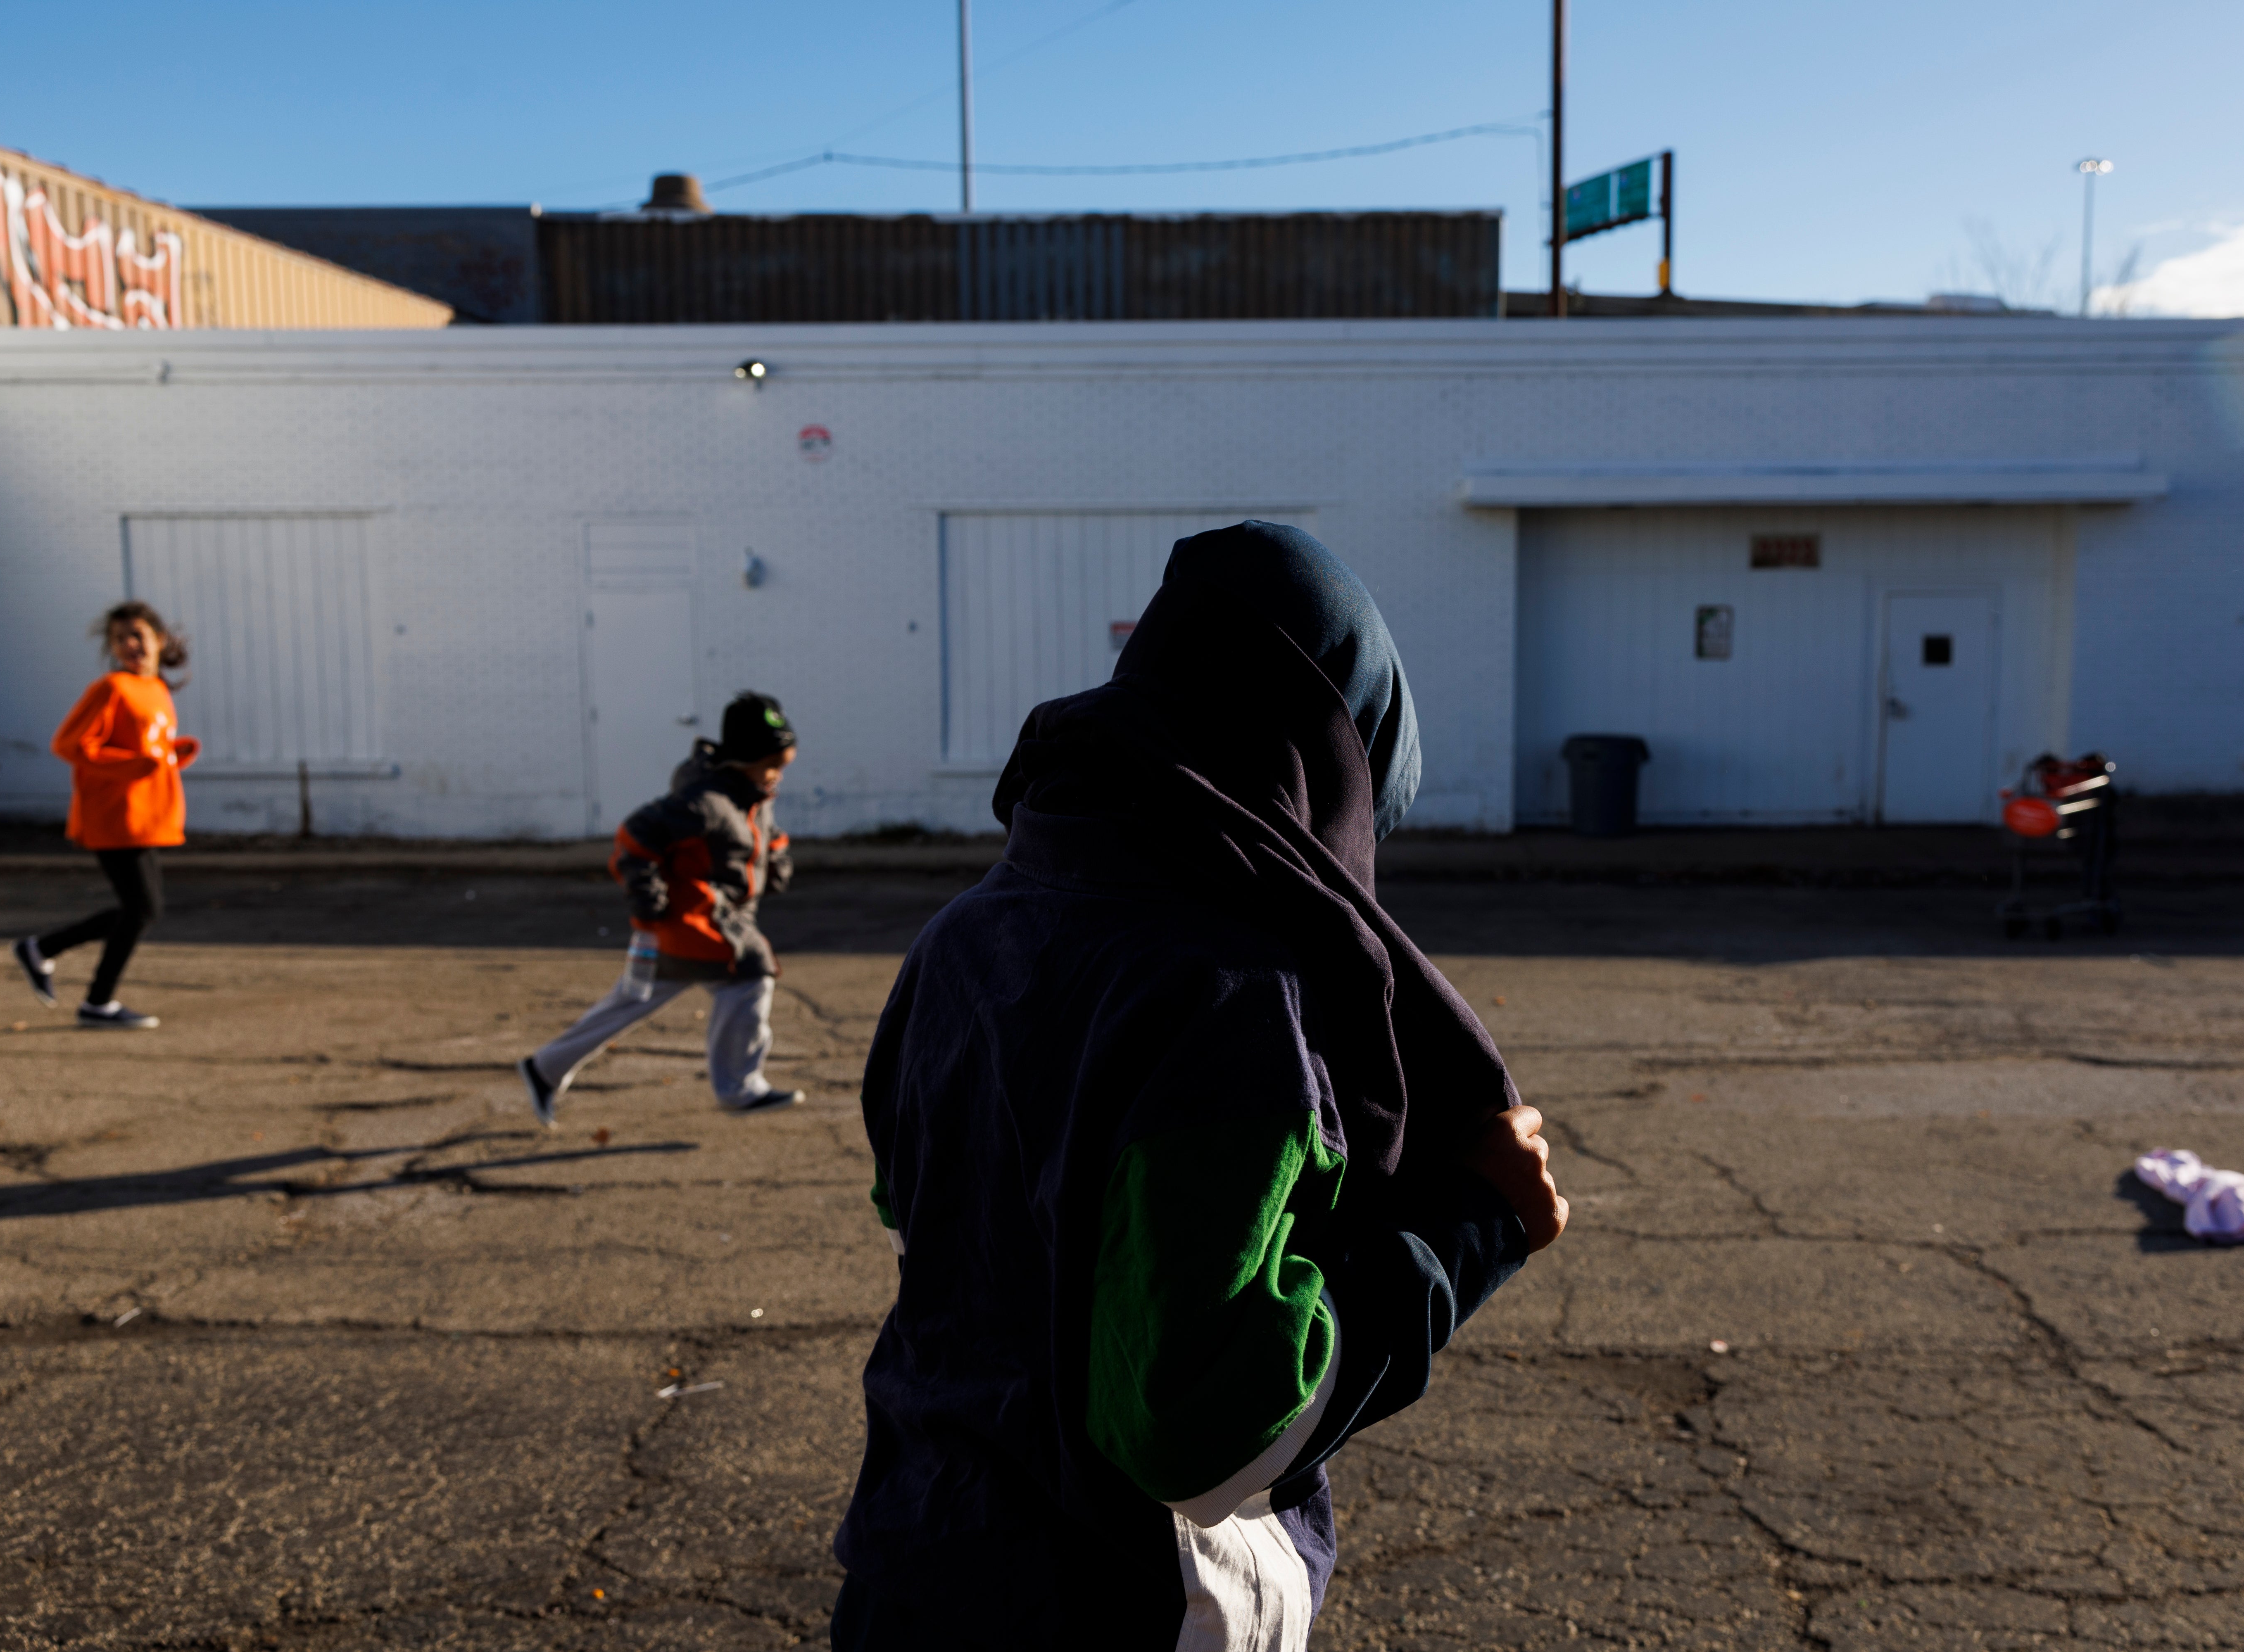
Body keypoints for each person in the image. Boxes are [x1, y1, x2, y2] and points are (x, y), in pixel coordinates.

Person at [833, 522, 1569, 1650]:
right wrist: (1469, 1228)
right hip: (1118, 1604)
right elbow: (1204, 1429)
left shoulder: (965, 936)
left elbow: (927, 1233)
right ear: (1325, 761)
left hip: (913, 1556)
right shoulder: (1227, 993)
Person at [518, 691, 808, 1125]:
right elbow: (635, 839)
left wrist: (776, 858)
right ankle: (739, 1089)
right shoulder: (705, 802)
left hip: (694, 928)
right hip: (698, 926)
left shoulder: (749, 793)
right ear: (744, 760)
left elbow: (764, 834)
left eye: (783, 767)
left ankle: (545, 1068)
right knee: (750, 977)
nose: (778, 776)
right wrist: (648, 903)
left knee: (630, 1001)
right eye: (773, 766)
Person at [12, 602, 200, 1030]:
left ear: (160, 639)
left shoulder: (157, 690)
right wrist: (135, 764)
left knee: (143, 909)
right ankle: (92, 995)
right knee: (143, 909)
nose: (130, 645)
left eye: (138, 635)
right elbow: (70, 745)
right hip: (114, 816)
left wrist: (172, 754)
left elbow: (145, 749)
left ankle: (46, 953)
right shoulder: (112, 688)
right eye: (120, 639)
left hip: (147, 814)